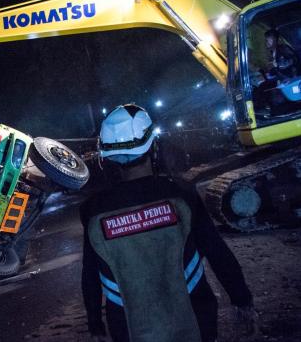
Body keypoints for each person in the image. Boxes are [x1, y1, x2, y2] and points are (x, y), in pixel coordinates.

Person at [80, 104, 256, 342]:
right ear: (152, 146)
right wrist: (241, 298)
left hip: (128, 328)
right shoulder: (181, 194)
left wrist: (95, 325)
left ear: (108, 157)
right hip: (197, 317)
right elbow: (216, 251)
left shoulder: (93, 209)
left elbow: (90, 273)